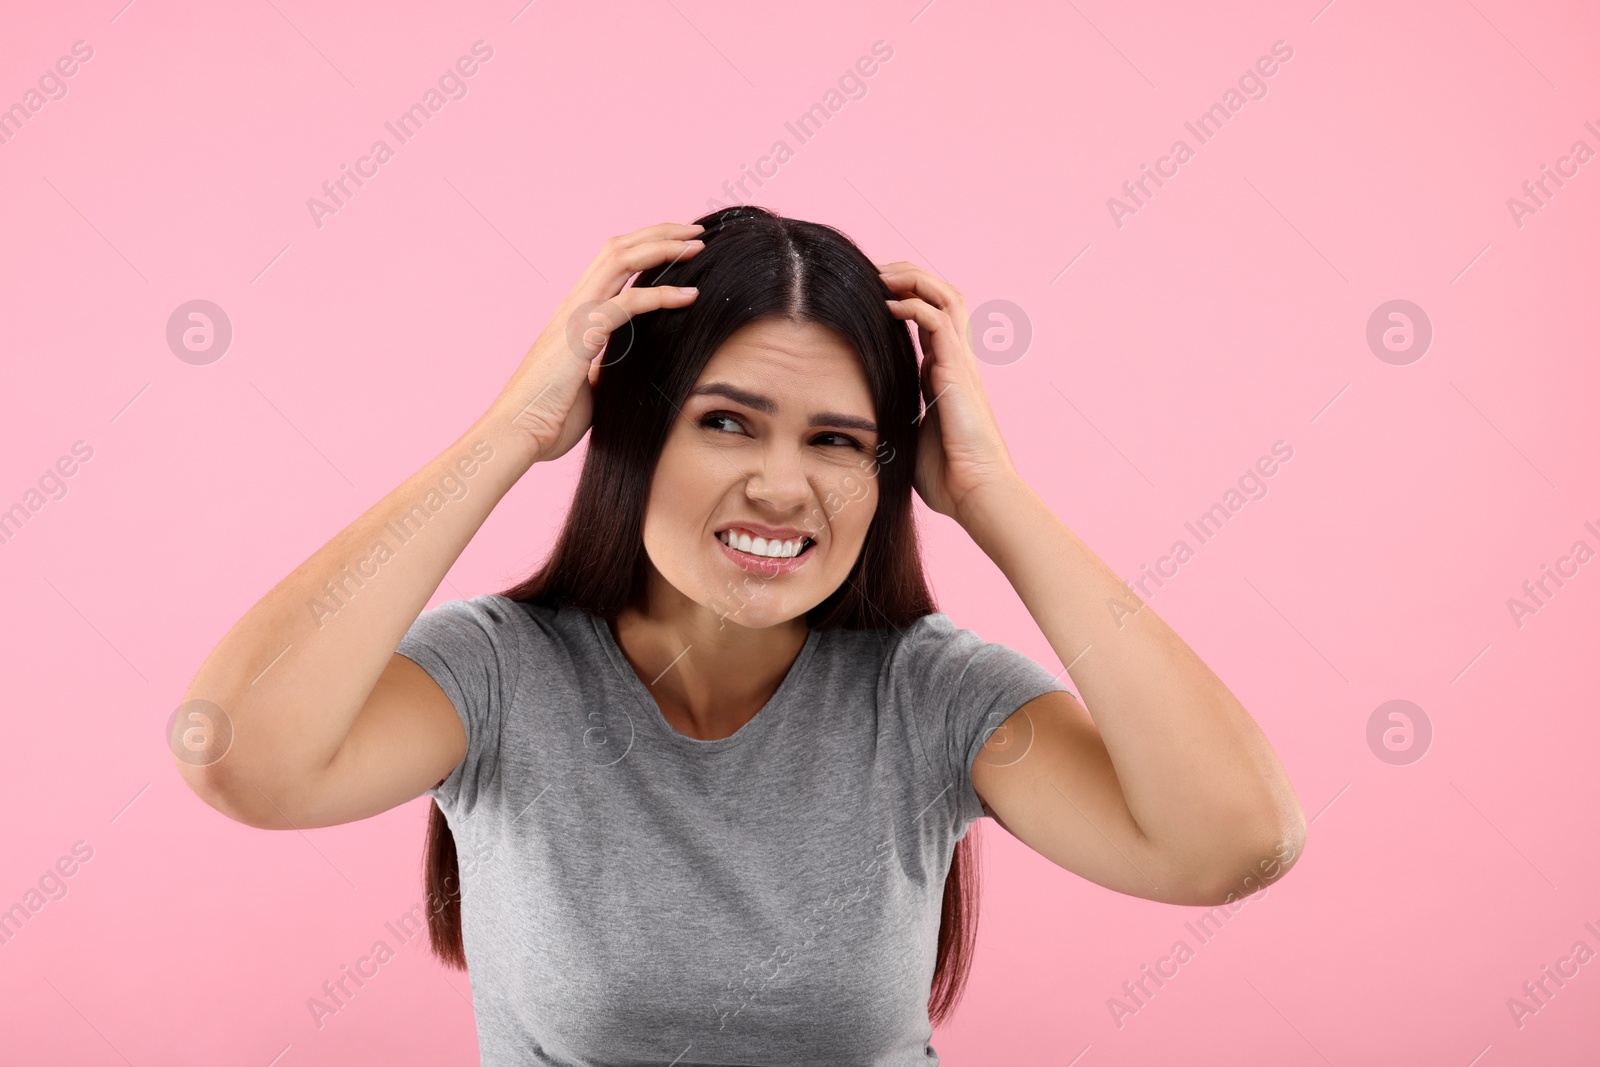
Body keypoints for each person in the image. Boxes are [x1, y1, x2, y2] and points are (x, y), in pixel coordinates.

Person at [173, 205, 1306, 1064]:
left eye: (834, 441)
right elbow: (240, 752)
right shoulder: (501, 676)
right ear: (632, 429)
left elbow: (1234, 841)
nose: (780, 485)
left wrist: (993, 495)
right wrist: (515, 428)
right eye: (726, 422)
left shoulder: (930, 697)